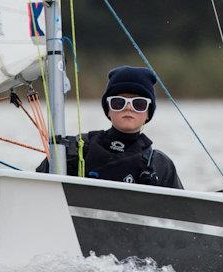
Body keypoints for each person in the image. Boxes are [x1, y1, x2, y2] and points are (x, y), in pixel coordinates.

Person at [36, 66, 183, 189]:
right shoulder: (77, 148)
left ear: (148, 114)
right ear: (108, 110)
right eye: (118, 102)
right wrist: (59, 156)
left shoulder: (162, 165)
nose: (128, 108)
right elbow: (38, 190)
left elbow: (183, 213)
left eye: (139, 104)